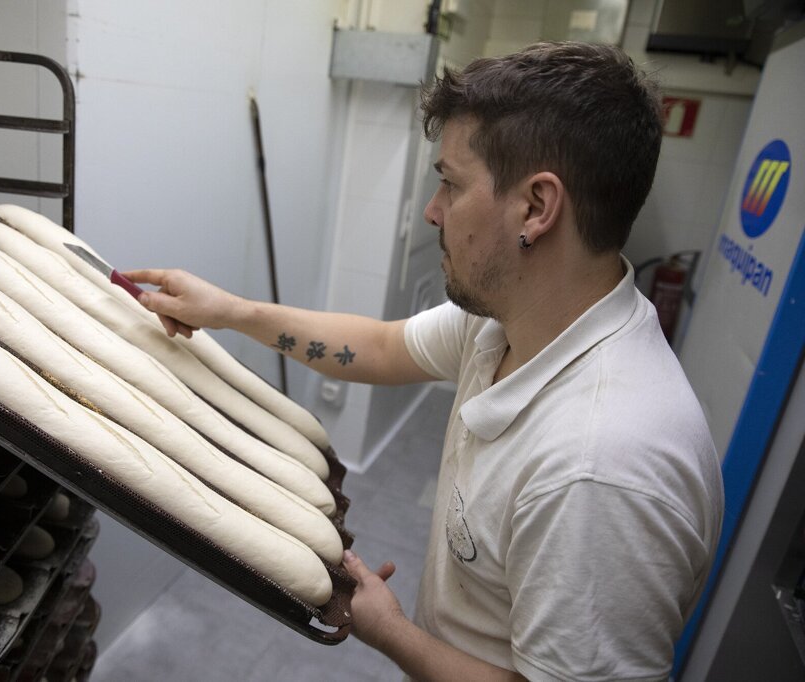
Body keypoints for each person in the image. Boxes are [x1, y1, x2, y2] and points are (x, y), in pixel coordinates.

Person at [125, 41, 723, 681]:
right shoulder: (506, 321)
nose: (434, 211)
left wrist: (391, 632)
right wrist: (230, 311)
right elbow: (381, 347)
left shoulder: (598, 471)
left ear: (535, 208)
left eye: (451, 183)